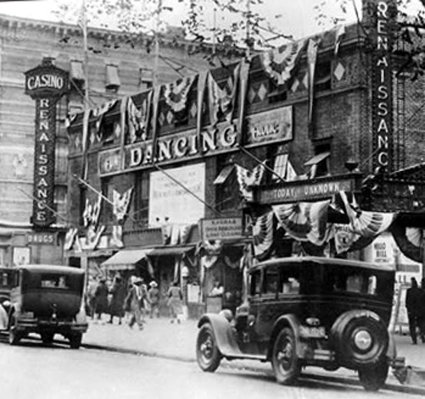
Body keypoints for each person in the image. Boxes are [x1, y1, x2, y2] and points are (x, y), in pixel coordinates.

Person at [406, 277, 422, 344]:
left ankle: (414, 339)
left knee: (412, 325)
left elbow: (407, 301)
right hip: (419, 311)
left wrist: (408, 309)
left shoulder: (409, 291)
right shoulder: (420, 291)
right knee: (420, 324)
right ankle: (422, 335)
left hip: (411, 311)